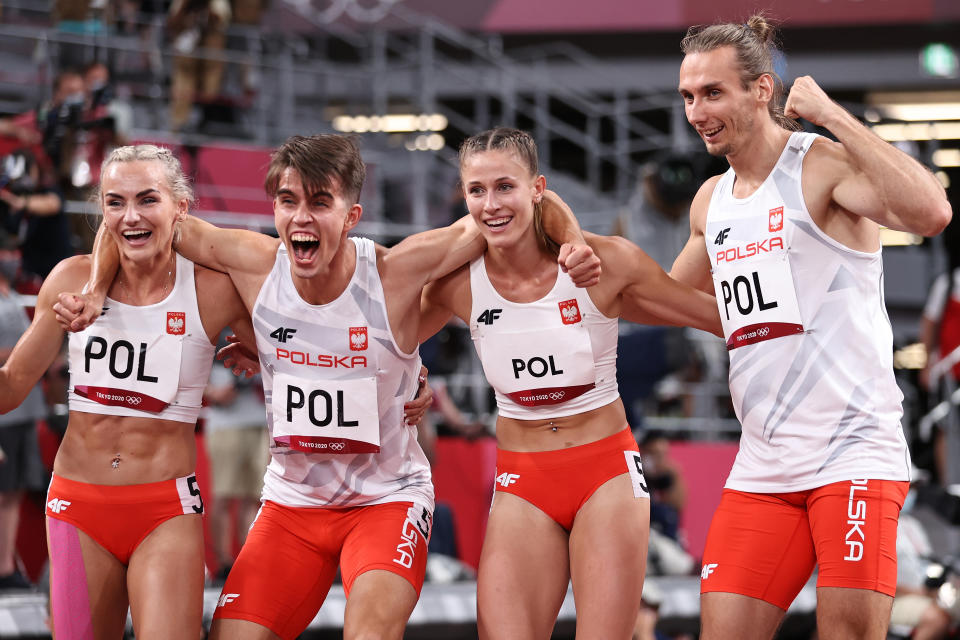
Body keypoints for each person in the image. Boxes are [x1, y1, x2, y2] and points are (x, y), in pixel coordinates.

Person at [58, 133, 599, 640]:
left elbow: (510, 205)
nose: (301, 217)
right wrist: (94, 288)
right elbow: (134, 222)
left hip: (386, 501)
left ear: (351, 216)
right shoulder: (253, 264)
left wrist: (572, 240)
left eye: (320, 202)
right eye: (288, 201)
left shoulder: (395, 272)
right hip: (293, 506)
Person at [671, 16, 952, 640]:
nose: (696, 111)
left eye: (713, 93)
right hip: (764, 463)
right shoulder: (711, 201)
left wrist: (832, 114)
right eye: (688, 95)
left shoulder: (820, 166)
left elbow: (932, 211)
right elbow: (667, 298)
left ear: (762, 89)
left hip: (852, 450)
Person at [417, 127, 722, 639]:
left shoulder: (606, 263)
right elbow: (389, 341)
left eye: (505, 187)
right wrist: (412, 383)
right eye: (476, 190)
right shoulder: (455, 282)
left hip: (604, 473)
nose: (491, 204)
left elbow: (715, 317)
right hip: (522, 480)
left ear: (537, 188)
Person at [0, 144, 254, 638]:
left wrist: (405, 381)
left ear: (181, 207)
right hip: (77, 505)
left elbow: (300, 351)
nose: (130, 216)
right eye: (115, 202)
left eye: (147, 199)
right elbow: (11, 386)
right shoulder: (71, 279)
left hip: (164, 509)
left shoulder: (214, 289)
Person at [202, 331, 269, 583]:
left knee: (254, 497)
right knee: (224, 496)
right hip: (225, 422)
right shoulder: (216, 324)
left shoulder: (260, 321)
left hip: (260, 421)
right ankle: (224, 565)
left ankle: (248, 563)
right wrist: (211, 392)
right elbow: (185, 368)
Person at [0, 268, 48, 591]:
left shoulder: (11, 299)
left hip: (23, 412)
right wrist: (29, 351)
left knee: (14, 490)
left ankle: (6, 566)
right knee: (4, 491)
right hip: (5, 415)